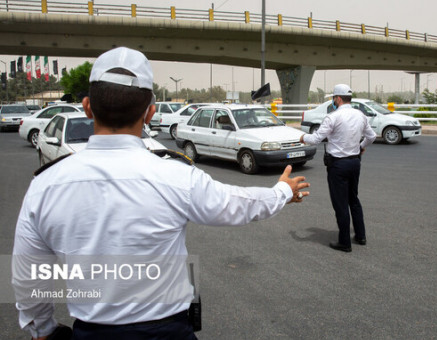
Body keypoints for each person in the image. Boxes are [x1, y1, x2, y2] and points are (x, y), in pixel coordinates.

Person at [12, 47, 310, 340]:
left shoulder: (45, 186)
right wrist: (282, 191)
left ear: (87, 107)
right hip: (169, 331)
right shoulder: (175, 175)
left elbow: (29, 276)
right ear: (150, 112)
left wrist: (43, 330)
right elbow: (234, 204)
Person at [300, 84, 376, 252]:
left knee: (341, 204)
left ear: (338, 98)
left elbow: (316, 139)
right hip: (355, 163)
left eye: (333, 98)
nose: (333, 101)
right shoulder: (360, 115)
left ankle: (344, 242)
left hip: (338, 165)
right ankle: (360, 236)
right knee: (353, 199)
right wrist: (361, 146)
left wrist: (302, 136)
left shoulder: (332, 117)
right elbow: (371, 136)